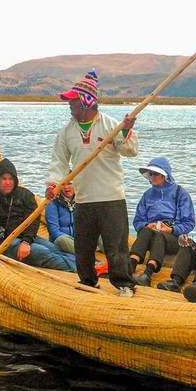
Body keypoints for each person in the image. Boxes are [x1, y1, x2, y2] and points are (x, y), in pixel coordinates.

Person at [45, 70, 138, 296]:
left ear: (86, 102)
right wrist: (52, 184)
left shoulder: (110, 126)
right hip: (84, 199)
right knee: (83, 246)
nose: (70, 106)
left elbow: (131, 150)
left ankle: (124, 284)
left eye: (73, 102)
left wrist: (126, 130)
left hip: (111, 197)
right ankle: (88, 281)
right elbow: (59, 161)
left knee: (116, 247)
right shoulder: (67, 132)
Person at [0, 158, 76, 272]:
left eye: (11, 179)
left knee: (54, 248)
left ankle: (87, 264)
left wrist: (26, 241)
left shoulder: (25, 195)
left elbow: (33, 221)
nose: (8, 182)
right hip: (3, 243)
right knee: (42, 252)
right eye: (4, 179)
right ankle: (80, 269)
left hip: (26, 237)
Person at [129, 157, 196, 286]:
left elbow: (189, 223)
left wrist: (171, 229)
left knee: (159, 236)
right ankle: (130, 266)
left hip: (173, 237)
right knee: (145, 231)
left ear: (165, 175)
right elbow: (138, 220)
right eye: (151, 174)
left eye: (156, 174)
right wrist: (147, 225)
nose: (152, 177)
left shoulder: (181, 194)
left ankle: (148, 273)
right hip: (150, 234)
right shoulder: (147, 194)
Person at [44, 182, 76, 254]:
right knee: (63, 239)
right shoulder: (52, 203)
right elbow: (54, 231)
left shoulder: (81, 200)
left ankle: (107, 254)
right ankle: (91, 261)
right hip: (61, 241)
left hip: (80, 240)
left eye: (69, 184)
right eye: (63, 184)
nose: (66, 187)